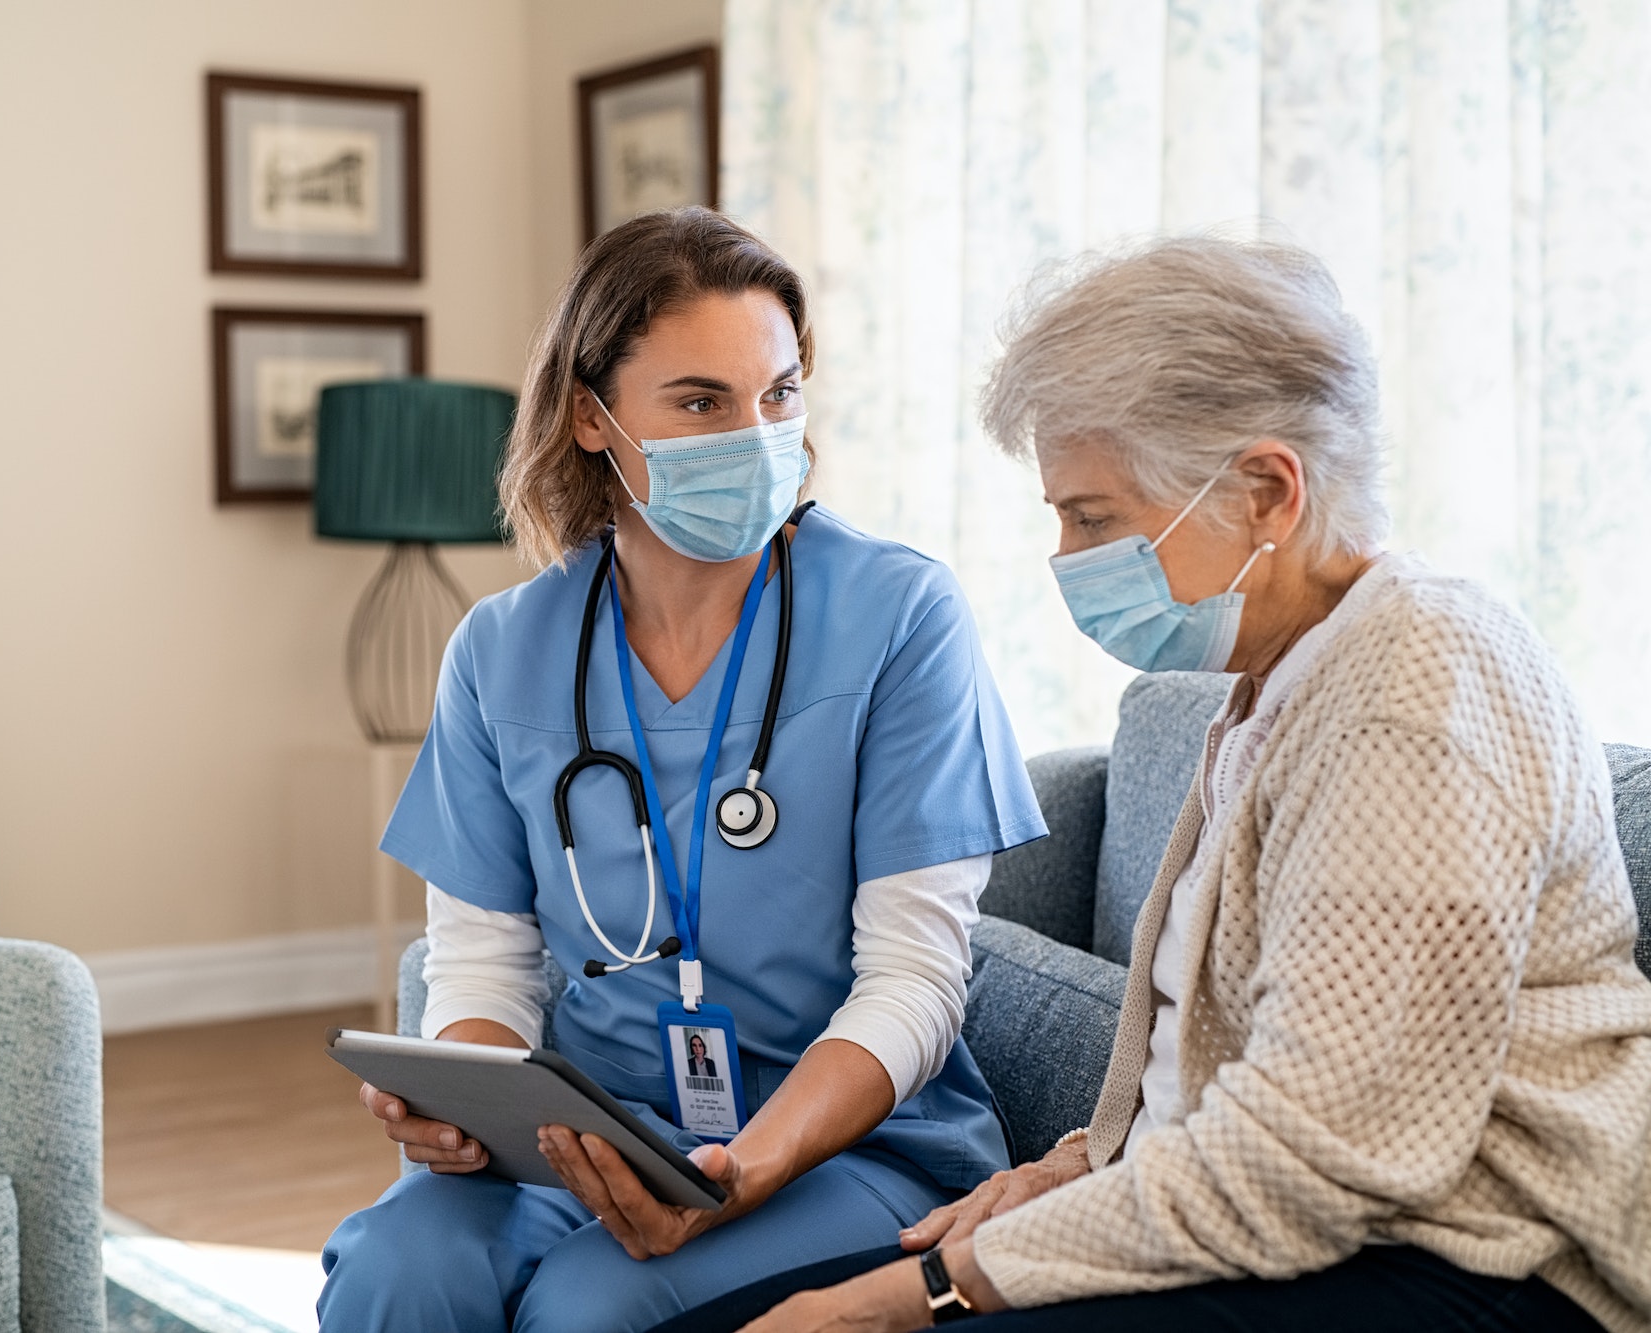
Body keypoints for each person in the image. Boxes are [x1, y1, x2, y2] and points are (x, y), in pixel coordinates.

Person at [732, 236, 1651, 1331]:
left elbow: (1311, 1164)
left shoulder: (1410, 697)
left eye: (1093, 518)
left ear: (1265, 490)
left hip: (1473, 1259)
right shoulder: (1278, 678)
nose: (1065, 558)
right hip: (1300, 1224)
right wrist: (1082, 1165)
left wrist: (925, 1290)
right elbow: (1221, 1063)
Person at [315, 207, 1048, 1332]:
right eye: (702, 401)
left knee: (589, 1309)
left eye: (779, 394)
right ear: (590, 417)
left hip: (843, 1150)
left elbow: (913, 979)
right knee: (397, 1271)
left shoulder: (897, 616)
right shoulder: (504, 650)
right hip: (589, 1134)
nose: (756, 434)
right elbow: (481, 965)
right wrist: (462, 1103)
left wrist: (739, 1172)